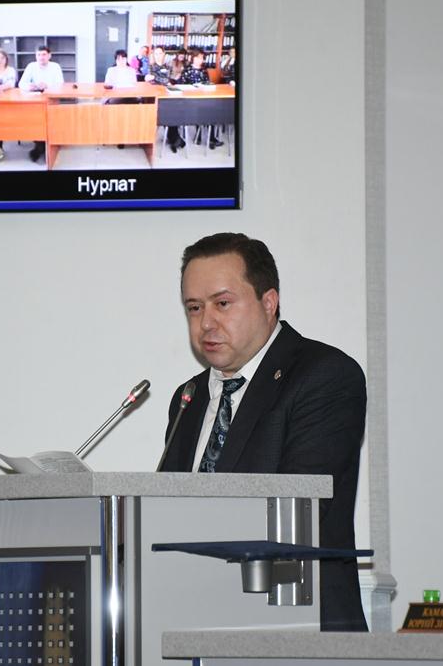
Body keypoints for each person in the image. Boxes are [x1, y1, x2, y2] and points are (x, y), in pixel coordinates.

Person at [158, 233, 368, 632]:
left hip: (297, 623)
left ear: (268, 302)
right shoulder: (189, 397)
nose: (206, 323)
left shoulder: (324, 375)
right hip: (201, 623)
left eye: (222, 303)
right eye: (194, 307)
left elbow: (301, 511)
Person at [18, 45, 64, 162]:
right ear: (36, 56)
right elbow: (21, 84)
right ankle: (40, 144)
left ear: (49, 56)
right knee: (34, 119)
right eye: (38, 55)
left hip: (51, 99)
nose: (41, 57)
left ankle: (44, 145)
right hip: (35, 99)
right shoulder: (31, 66)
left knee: (48, 119)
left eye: (44, 54)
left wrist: (47, 85)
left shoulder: (55, 67)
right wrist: (30, 86)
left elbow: (61, 84)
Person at [179, 50, 223, 149]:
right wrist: (193, 87)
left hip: (203, 97)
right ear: (193, 58)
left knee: (211, 110)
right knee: (201, 110)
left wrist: (206, 86)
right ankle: (199, 135)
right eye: (198, 57)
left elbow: (207, 83)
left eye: (202, 58)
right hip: (191, 100)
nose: (200, 60)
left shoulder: (204, 70)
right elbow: (182, 86)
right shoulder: (187, 70)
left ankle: (211, 138)